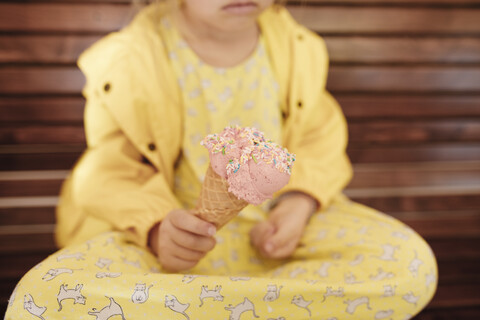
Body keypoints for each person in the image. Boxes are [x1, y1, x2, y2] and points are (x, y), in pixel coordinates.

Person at [5, 1, 437, 319]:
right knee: (45, 299)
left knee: (410, 265)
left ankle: (207, 308)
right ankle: (267, 306)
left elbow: (318, 138)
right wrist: (156, 227)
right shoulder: (130, 60)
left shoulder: (296, 49)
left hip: (273, 228)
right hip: (166, 237)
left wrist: (300, 201)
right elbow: (110, 169)